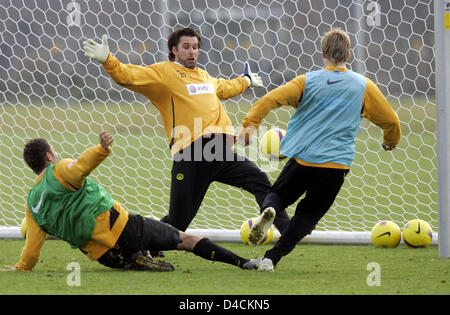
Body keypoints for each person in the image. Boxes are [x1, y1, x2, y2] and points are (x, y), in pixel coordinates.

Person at [81, 27, 291, 235]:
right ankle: (136, 241)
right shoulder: (164, 73)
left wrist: (246, 80)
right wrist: (107, 59)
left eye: (196, 47)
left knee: (260, 181)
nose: (192, 51)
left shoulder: (203, 76)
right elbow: (128, 76)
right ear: (174, 50)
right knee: (177, 224)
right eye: (186, 47)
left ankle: (287, 232)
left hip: (218, 152)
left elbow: (225, 88)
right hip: (190, 153)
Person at [238, 28, 402, 271]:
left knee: (277, 196)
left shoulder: (307, 81)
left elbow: (269, 99)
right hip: (336, 166)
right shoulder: (362, 85)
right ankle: (271, 259)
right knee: (307, 217)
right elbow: (391, 121)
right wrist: (390, 141)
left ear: (323, 53)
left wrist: (250, 126)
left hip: (304, 159)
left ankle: (269, 210)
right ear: (349, 54)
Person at [1, 131, 257, 272]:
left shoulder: (32, 203)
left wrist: (21, 267)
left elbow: (32, 249)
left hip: (103, 257)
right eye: (54, 152)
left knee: (147, 234)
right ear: (49, 155)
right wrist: (101, 150)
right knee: (184, 239)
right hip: (124, 229)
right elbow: (80, 167)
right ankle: (243, 263)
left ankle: (139, 256)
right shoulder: (60, 170)